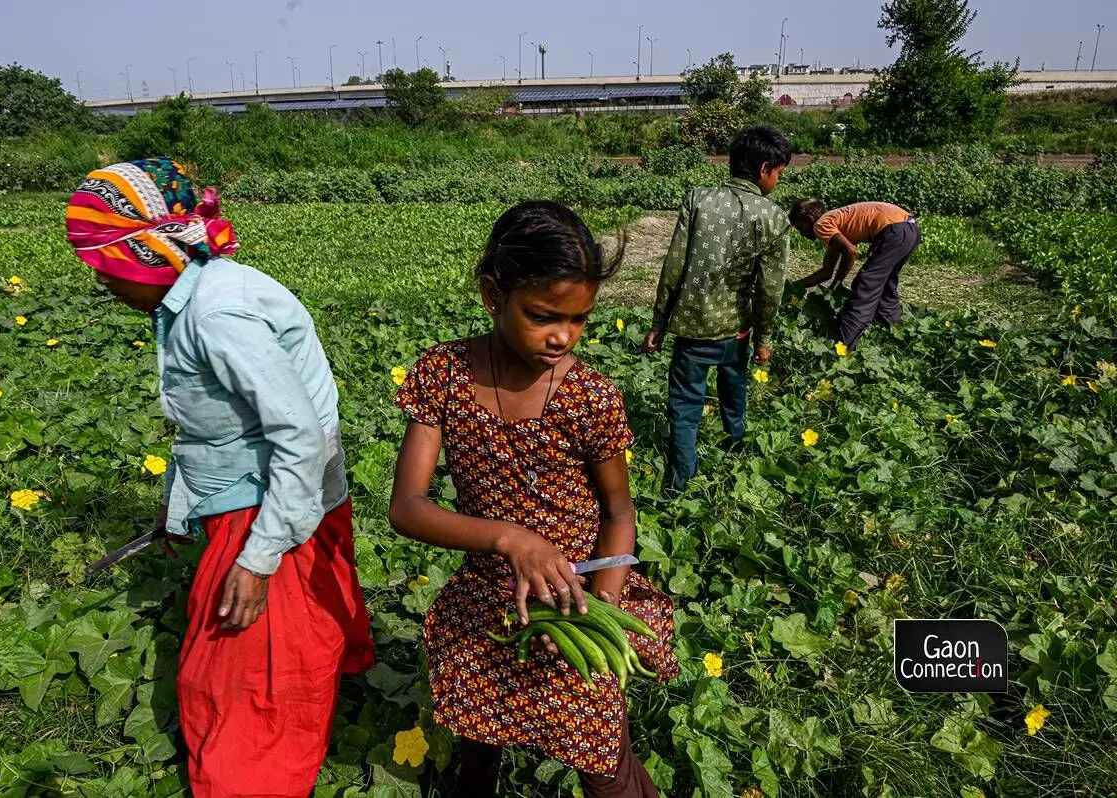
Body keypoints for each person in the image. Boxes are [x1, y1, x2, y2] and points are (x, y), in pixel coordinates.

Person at [65, 158, 374, 798]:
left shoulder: (215, 314)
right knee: (287, 646)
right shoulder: (199, 291)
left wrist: (259, 559)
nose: (102, 284)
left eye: (104, 268)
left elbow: (297, 435)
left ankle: (251, 782)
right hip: (280, 493)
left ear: (145, 255)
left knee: (244, 680)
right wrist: (181, 505)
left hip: (268, 506)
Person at [388, 201, 679, 797]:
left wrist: (594, 611)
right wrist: (511, 538)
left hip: (579, 595)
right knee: (477, 734)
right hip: (488, 597)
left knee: (601, 757)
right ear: (493, 295)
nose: (562, 337)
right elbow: (407, 506)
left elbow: (620, 514)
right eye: (544, 315)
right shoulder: (443, 374)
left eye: (579, 321)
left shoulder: (589, 397)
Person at [641, 124, 793, 492]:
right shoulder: (773, 217)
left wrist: (659, 321)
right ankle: (735, 446)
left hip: (693, 330)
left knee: (685, 405)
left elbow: (674, 265)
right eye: (779, 173)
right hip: (737, 331)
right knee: (734, 388)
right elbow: (770, 289)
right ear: (764, 169)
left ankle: (680, 481)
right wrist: (764, 337)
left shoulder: (698, 200)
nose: (777, 180)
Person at [789, 198, 921, 350]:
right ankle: (896, 338)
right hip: (909, 229)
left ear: (809, 219)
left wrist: (838, 283)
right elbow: (826, 272)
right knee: (885, 288)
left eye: (800, 227)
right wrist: (791, 287)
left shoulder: (821, 224)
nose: (801, 233)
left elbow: (850, 251)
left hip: (894, 230)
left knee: (864, 285)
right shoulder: (835, 227)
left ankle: (844, 347)